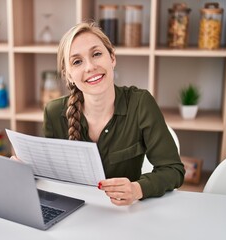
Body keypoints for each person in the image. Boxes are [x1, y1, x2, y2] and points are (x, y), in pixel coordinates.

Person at [42, 21, 185, 206]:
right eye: (77, 61)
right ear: (68, 75)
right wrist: (26, 170)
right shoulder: (54, 113)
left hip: (124, 215)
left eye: (97, 54)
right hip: (73, 216)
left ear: (112, 58)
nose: (90, 67)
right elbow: (50, 174)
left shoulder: (140, 104)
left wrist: (138, 189)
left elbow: (173, 170)